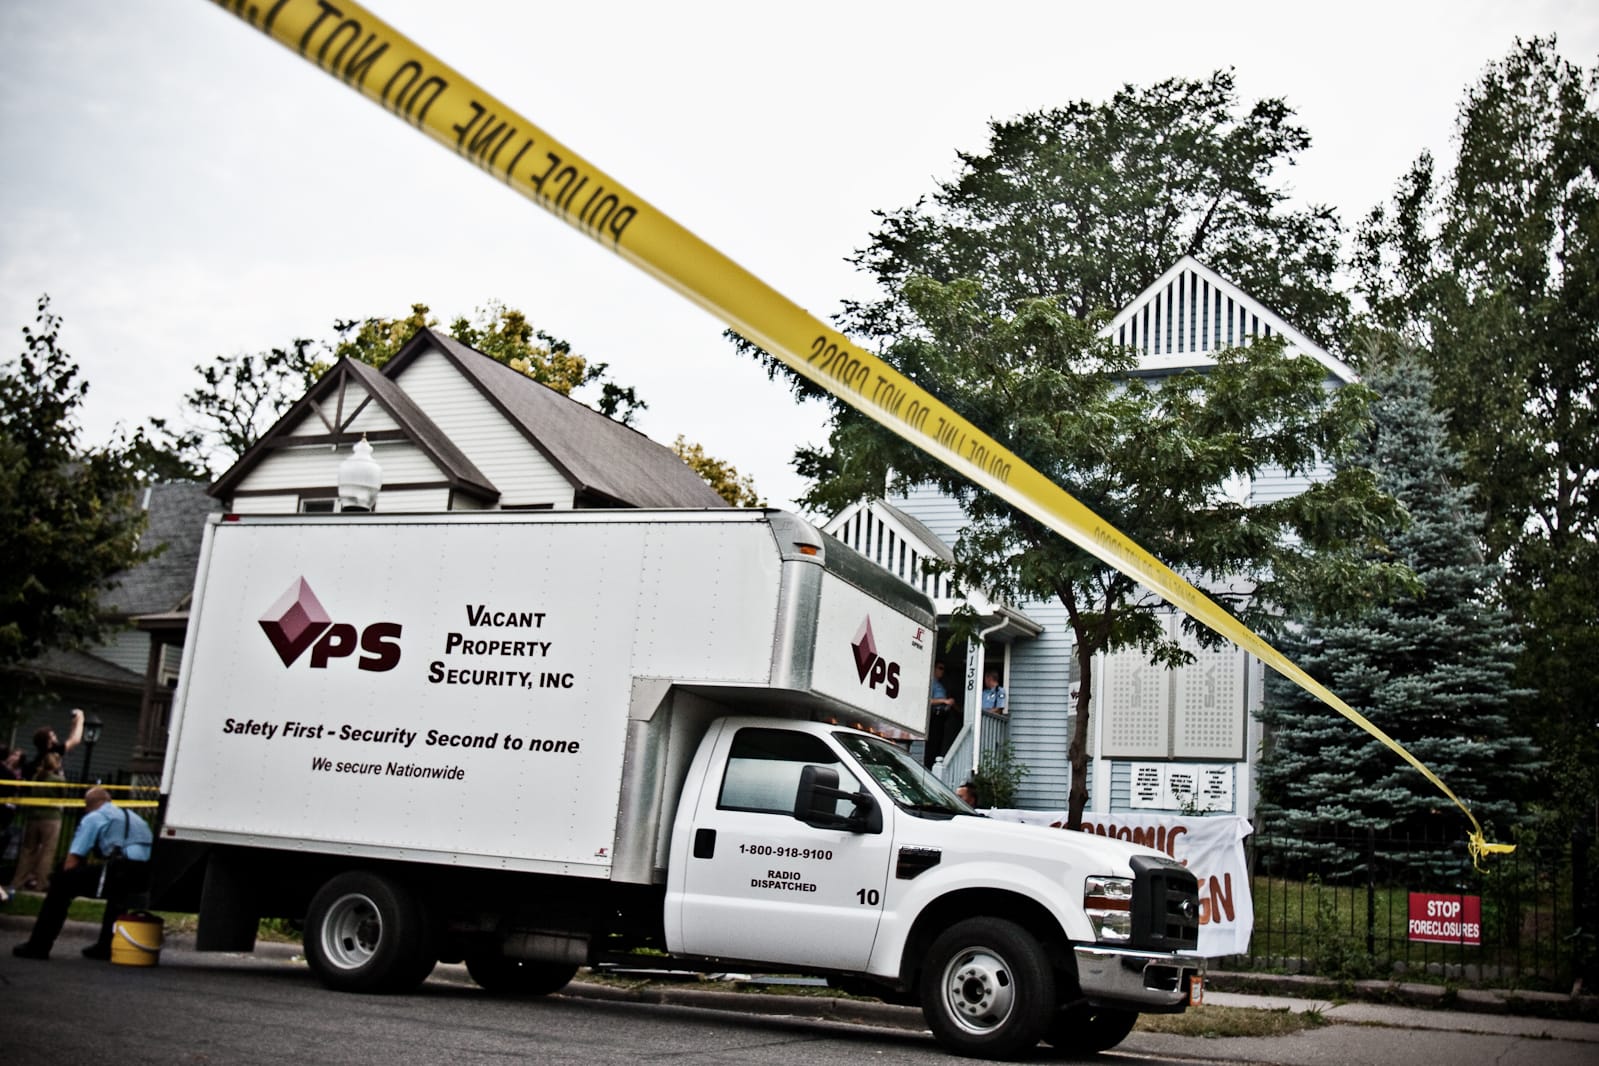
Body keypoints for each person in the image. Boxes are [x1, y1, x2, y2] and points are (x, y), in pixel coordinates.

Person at [13, 787, 154, 961]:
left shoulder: (94, 817)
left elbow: (74, 857)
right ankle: (106, 946)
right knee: (118, 899)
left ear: (88, 806)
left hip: (120, 869)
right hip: (144, 872)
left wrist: (63, 877)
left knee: (61, 884)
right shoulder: (134, 817)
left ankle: (38, 946)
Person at [13, 710, 83, 892]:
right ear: (49, 741)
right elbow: (75, 739)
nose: (56, 737)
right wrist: (80, 719)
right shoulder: (53, 757)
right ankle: (42, 882)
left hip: (32, 814)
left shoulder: (31, 765)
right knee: (47, 850)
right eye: (53, 735)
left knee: (28, 850)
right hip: (51, 816)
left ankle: (18, 882)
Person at [925, 661, 957, 767]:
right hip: (934, 716)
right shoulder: (931, 683)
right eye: (940, 668)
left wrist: (948, 705)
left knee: (938, 743)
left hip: (942, 716)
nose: (942, 671)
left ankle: (934, 764)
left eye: (943, 669)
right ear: (934, 668)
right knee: (932, 743)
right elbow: (927, 700)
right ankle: (929, 765)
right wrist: (944, 701)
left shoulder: (940, 685)